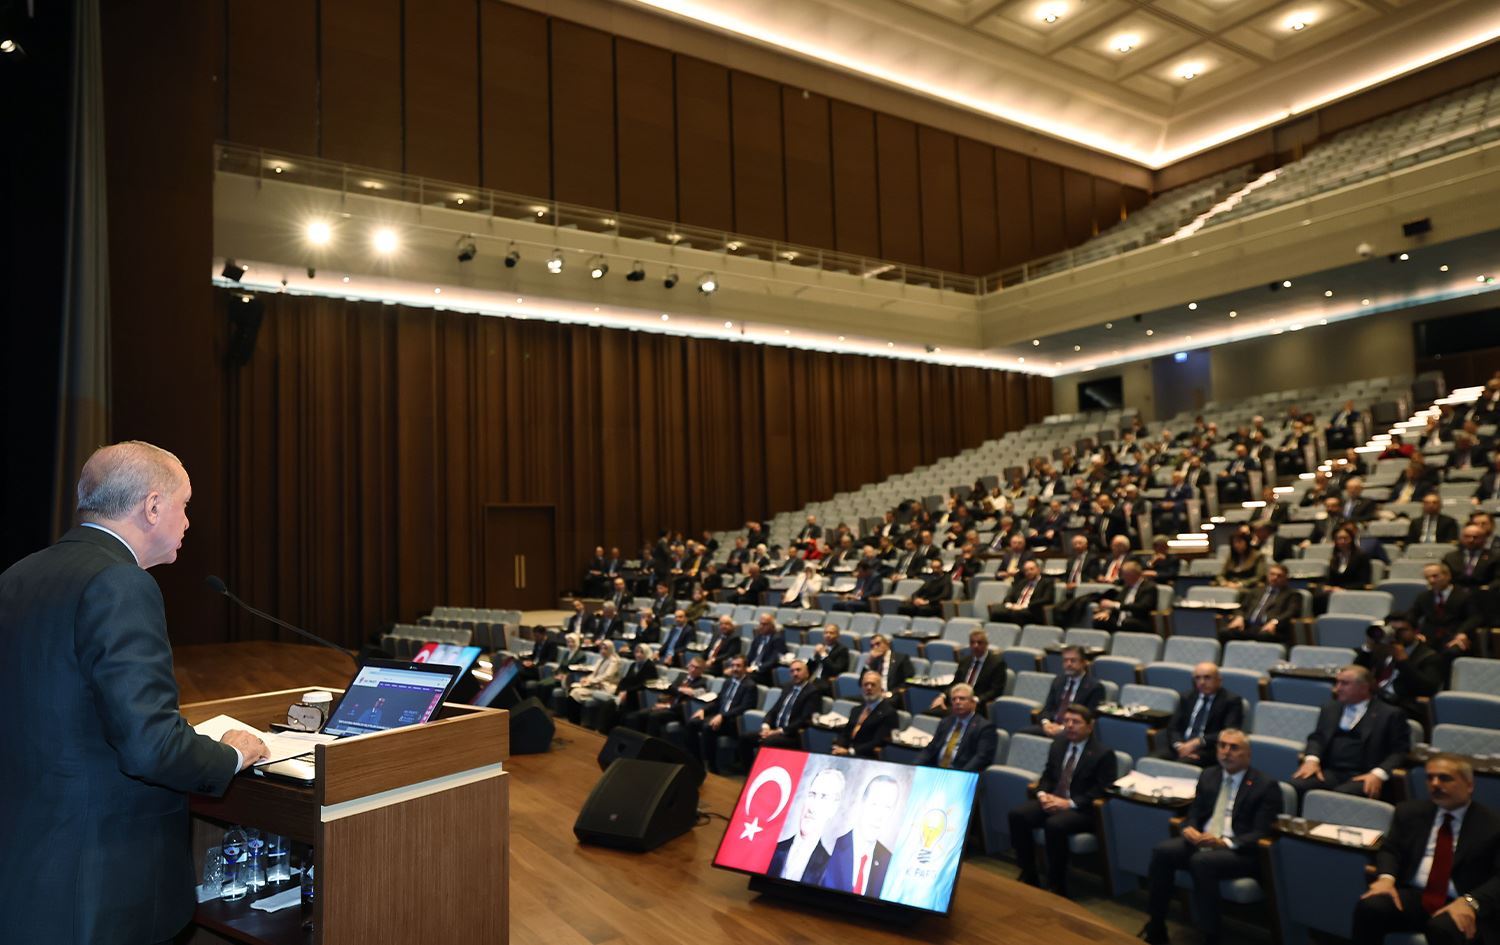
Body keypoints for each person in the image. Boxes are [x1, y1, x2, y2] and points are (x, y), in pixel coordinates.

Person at [0, 441, 270, 945]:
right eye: (185, 505)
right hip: (99, 880)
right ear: (151, 506)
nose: (188, 522)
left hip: (26, 865)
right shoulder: (121, 583)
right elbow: (149, 747)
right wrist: (231, 755)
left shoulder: (18, 574)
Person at [1139, 730, 1282, 945]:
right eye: (1222, 746)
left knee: (1201, 862)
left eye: (1234, 748)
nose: (1226, 752)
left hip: (1238, 851)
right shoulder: (1209, 775)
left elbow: (1262, 833)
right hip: (1203, 841)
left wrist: (1225, 842)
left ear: (1248, 754)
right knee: (1162, 851)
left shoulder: (1265, 785)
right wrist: (1189, 828)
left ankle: (1211, 935)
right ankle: (1156, 924)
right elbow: (1194, 813)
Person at [1351, 754, 1500, 945]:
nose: (1435, 784)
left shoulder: (1492, 825)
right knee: (1370, 906)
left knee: (1443, 927)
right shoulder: (1409, 812)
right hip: (1417, 896)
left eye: (1445, 778)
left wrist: (1471, 902)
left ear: (1469, 785)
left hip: (1462, 899)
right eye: (1430, 778)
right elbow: (1390, 849)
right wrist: (1385, 879)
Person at [1008, 705, 1117, 898]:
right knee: (1017, 815)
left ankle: (1056, 883)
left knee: (1054, 825)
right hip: (1053, 800)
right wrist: (1042, 794)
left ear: (1090, 726)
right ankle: (1029, 873)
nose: (1069, 726)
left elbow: (1102, 790)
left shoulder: (1103, 753)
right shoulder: (1058, 744)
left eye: (1076, 722)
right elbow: (1048, 776)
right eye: (1066, 721)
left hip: (1082, 810)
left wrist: (1070, 803)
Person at [1289, 665, 1411, 798]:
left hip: (1365, 773)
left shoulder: (1390, 714)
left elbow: (1400, 752)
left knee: (1341, 796)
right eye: (1337, 683)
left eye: (1344, 684)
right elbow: (1317, 738)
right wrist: (1311, 760)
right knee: (1295, 786)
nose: (1337, 688)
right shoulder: (1330, 708)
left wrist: (1378, 774)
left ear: (1364, 687)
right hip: (1330, 771)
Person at [820, 774, 901, 897]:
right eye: (874, 804)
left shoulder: (889, 862)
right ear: (862, 803)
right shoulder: (831, 846)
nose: (879, 815)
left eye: (887, 807)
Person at [1354, 614, 1443, 723]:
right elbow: (1356, 673)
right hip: (1373, 700)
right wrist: (1368, 648)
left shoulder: (1429, 656)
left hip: (1403, 706)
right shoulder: (1381, 650)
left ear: (1416, 631)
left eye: (1402, 630)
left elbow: (1428, 689)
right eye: (1392, 630)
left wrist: (1403, 662)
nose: (1396, 634)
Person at [1153, 663, 1245, 766]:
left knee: (1182, 765)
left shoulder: (1231, 701)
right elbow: (1173, 727)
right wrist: (1179, 746)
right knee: (1151, 761)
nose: (1202, 682)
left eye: (1207, 678)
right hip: (1180, 746)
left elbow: (1229, 733)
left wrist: (1197, 742)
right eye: (1197, 678)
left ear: (1219, 680)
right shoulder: (1187, 697)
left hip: (1208, 749)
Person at [769, 766, 845, 883]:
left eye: (824, 797)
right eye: (812, 794)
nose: (812, 807)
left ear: (833, 808)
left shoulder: (829, 869)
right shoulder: (774, 849)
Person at [685, 656, 757, 774]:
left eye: (738, 666)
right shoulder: (728, 682)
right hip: (719, 717)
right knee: (692, 723)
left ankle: (711, 766)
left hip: (733, 722)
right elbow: (718, 701)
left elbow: (745, 707)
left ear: (745, 668)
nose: (734, 668)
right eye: (733, 665)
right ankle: (695, 760)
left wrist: (723, 716)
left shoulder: (750, 686)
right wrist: (704, 710)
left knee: (708, 727)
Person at [1408, 562, 1482, 670]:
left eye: (1435, 576)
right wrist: (1415, 633)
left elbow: (1475, 617)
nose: (1431, 581)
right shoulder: (1423, 597)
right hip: (1429, 638)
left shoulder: (1465, 595)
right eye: (1427, 577)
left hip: (1454, 636)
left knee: (1452, 652)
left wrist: (1462, 633)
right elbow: (1412, 615)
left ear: (1447, 576)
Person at [914, 683, 998, 772]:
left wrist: (960, 775)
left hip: (962, 773)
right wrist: (914, 766)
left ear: (973, 703)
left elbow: (981, 757)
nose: (957, 702)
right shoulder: (946, 722)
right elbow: (930, 749)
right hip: (937, 770)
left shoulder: (984, 727)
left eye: (962, 699)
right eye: (954, 699)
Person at [1029, 645, 1106, 736]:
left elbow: (1089, 718)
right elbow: (1047, 709)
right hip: (1052, 725)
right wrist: (1046, 724)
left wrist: (1063, 728)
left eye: (1073, 660)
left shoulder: (1095, 687)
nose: (1068, 664)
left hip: (1074, 731)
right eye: (1065, 661)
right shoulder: (1058, 681)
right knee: (1023, 734)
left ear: (1083, 663)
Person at [623, 656, 708, 737]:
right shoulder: (682, 676)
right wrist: (680, 690)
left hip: (677, 711)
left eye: (697, 668)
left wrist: (668, 706)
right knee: (635, 715)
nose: (693, 669)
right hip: (665, 704)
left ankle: (649, 745)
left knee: (653, 717)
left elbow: (687, 702)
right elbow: (670, 689)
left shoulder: (701, 683)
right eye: (692, 666)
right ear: (688, 665)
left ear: (702, 670)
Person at [750, 660, 820, 754]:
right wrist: (766, 726)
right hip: (774, 730)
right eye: (792, 671)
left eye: (798, 670)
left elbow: (804, 719)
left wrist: (778, 732)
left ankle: (759, 768)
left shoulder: (812, 692)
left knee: (768, 742)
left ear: (807, 673)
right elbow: (774, 710)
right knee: (746, 738)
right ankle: (748, 768)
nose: (795, 674)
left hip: (791, 734)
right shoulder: (788, 686)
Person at [1221, 562, 1300, 645]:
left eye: (1279, 575)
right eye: (1272, 574)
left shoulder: (1292, 594)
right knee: (1224, 633)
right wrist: (1239, 617)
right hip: (1248, 627)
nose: (1275, 577)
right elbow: (1242, 608)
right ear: (1267, 575)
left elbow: (1291, 613)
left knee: (1264, 636)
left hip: (1271, 629)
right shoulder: (1256, 591)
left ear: (1285, 578)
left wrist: (1275, 622)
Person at [585, 642, 657, 732]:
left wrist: (627, 692)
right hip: (627, 693)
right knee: (609, 704)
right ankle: (602, 731)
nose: (638, 655)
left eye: (641, 652)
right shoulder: (634, 665)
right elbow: (625, 680)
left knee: (613, 706)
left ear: (646, 653)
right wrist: (620, 691)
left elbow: (644, 685)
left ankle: (605, 731)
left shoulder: (650, 666)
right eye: (636, 652)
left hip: (638, 697)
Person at [832, 670, 897, 758]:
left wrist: (850, 751)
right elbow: (846, 732)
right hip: (846, 752)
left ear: (881, 689)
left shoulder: (888, 713)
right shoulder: (856, 710)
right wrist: (839, 746)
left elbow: (878, 741)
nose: (869, 688)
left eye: (873, 685)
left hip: (866, 756)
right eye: (865, 684)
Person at [566, 639, 624, 723]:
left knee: (575, 692)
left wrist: (590, 681)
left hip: (605, 686)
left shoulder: (614, 661)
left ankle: (575, 721)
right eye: (601, 648)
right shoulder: (601, 659)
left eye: (605, 648)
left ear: (610, 649)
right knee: (573, 689)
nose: (603, 651)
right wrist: (587, 679)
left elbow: (606, 676)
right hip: (595, 684)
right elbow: (594, 674)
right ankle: (573, 720)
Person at [1092, 560, 1157, 632]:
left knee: (1127, 623)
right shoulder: (1126, 586)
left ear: (1134, 575)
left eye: (1125, 575)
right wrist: (1107, 612)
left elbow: (1142, 607)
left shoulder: (1149, 587)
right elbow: (1118, 601)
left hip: (1139, 620)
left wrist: (1116, 605)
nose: (1122, 577)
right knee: (1100, 620)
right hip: (1121, 618)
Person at [992, 558, 1053, 625]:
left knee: (1017, 614)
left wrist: (1024, 606)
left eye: (1031, 569)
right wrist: (1010, 605)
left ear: (1038, 570)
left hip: (1032, 609)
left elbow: (1046, 599)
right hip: (1016, 608)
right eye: (1026, 570)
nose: (1029, 572)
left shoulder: (1046, 582)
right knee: (996, 610)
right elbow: (1009, 596)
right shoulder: (1022, 582)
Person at [743, 613, 787, 686]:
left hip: (764, 673)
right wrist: (743, 666)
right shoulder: (758, 638)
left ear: (772, 626)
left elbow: (773, 660)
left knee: (744, 678)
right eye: (760, 624)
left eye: (764, 624)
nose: (761, 627)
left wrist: (755, 668)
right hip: (751, 670)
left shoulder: (777, 639)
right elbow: (750, 655)